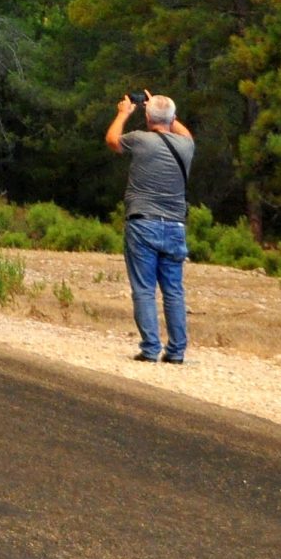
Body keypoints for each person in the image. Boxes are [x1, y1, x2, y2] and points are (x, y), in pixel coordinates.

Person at [108, 91, 194, 364]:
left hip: (143, 222)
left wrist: (124, 113)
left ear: (147, 117)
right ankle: (177, 351)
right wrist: (161, 109)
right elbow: (183, 132)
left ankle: (150, 349)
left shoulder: (140, 140)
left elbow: (112, 140)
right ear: (171, 118)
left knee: (144, 289)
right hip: (175, 225)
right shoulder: (186, 146)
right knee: (173, 290)